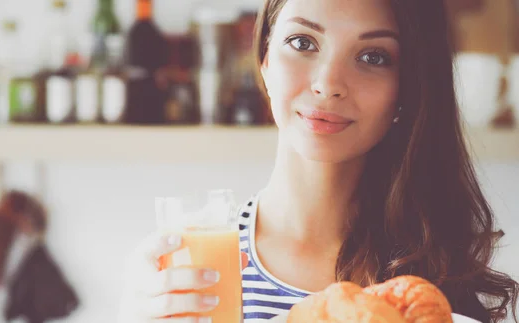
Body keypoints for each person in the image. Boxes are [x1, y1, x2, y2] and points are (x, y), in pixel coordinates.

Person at [117, 0, 519, 322]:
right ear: (265, 59)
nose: (328, 84)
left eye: (373, 57)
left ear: (410, 88)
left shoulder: (434, 287)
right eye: (303, 42)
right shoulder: (192, 271)